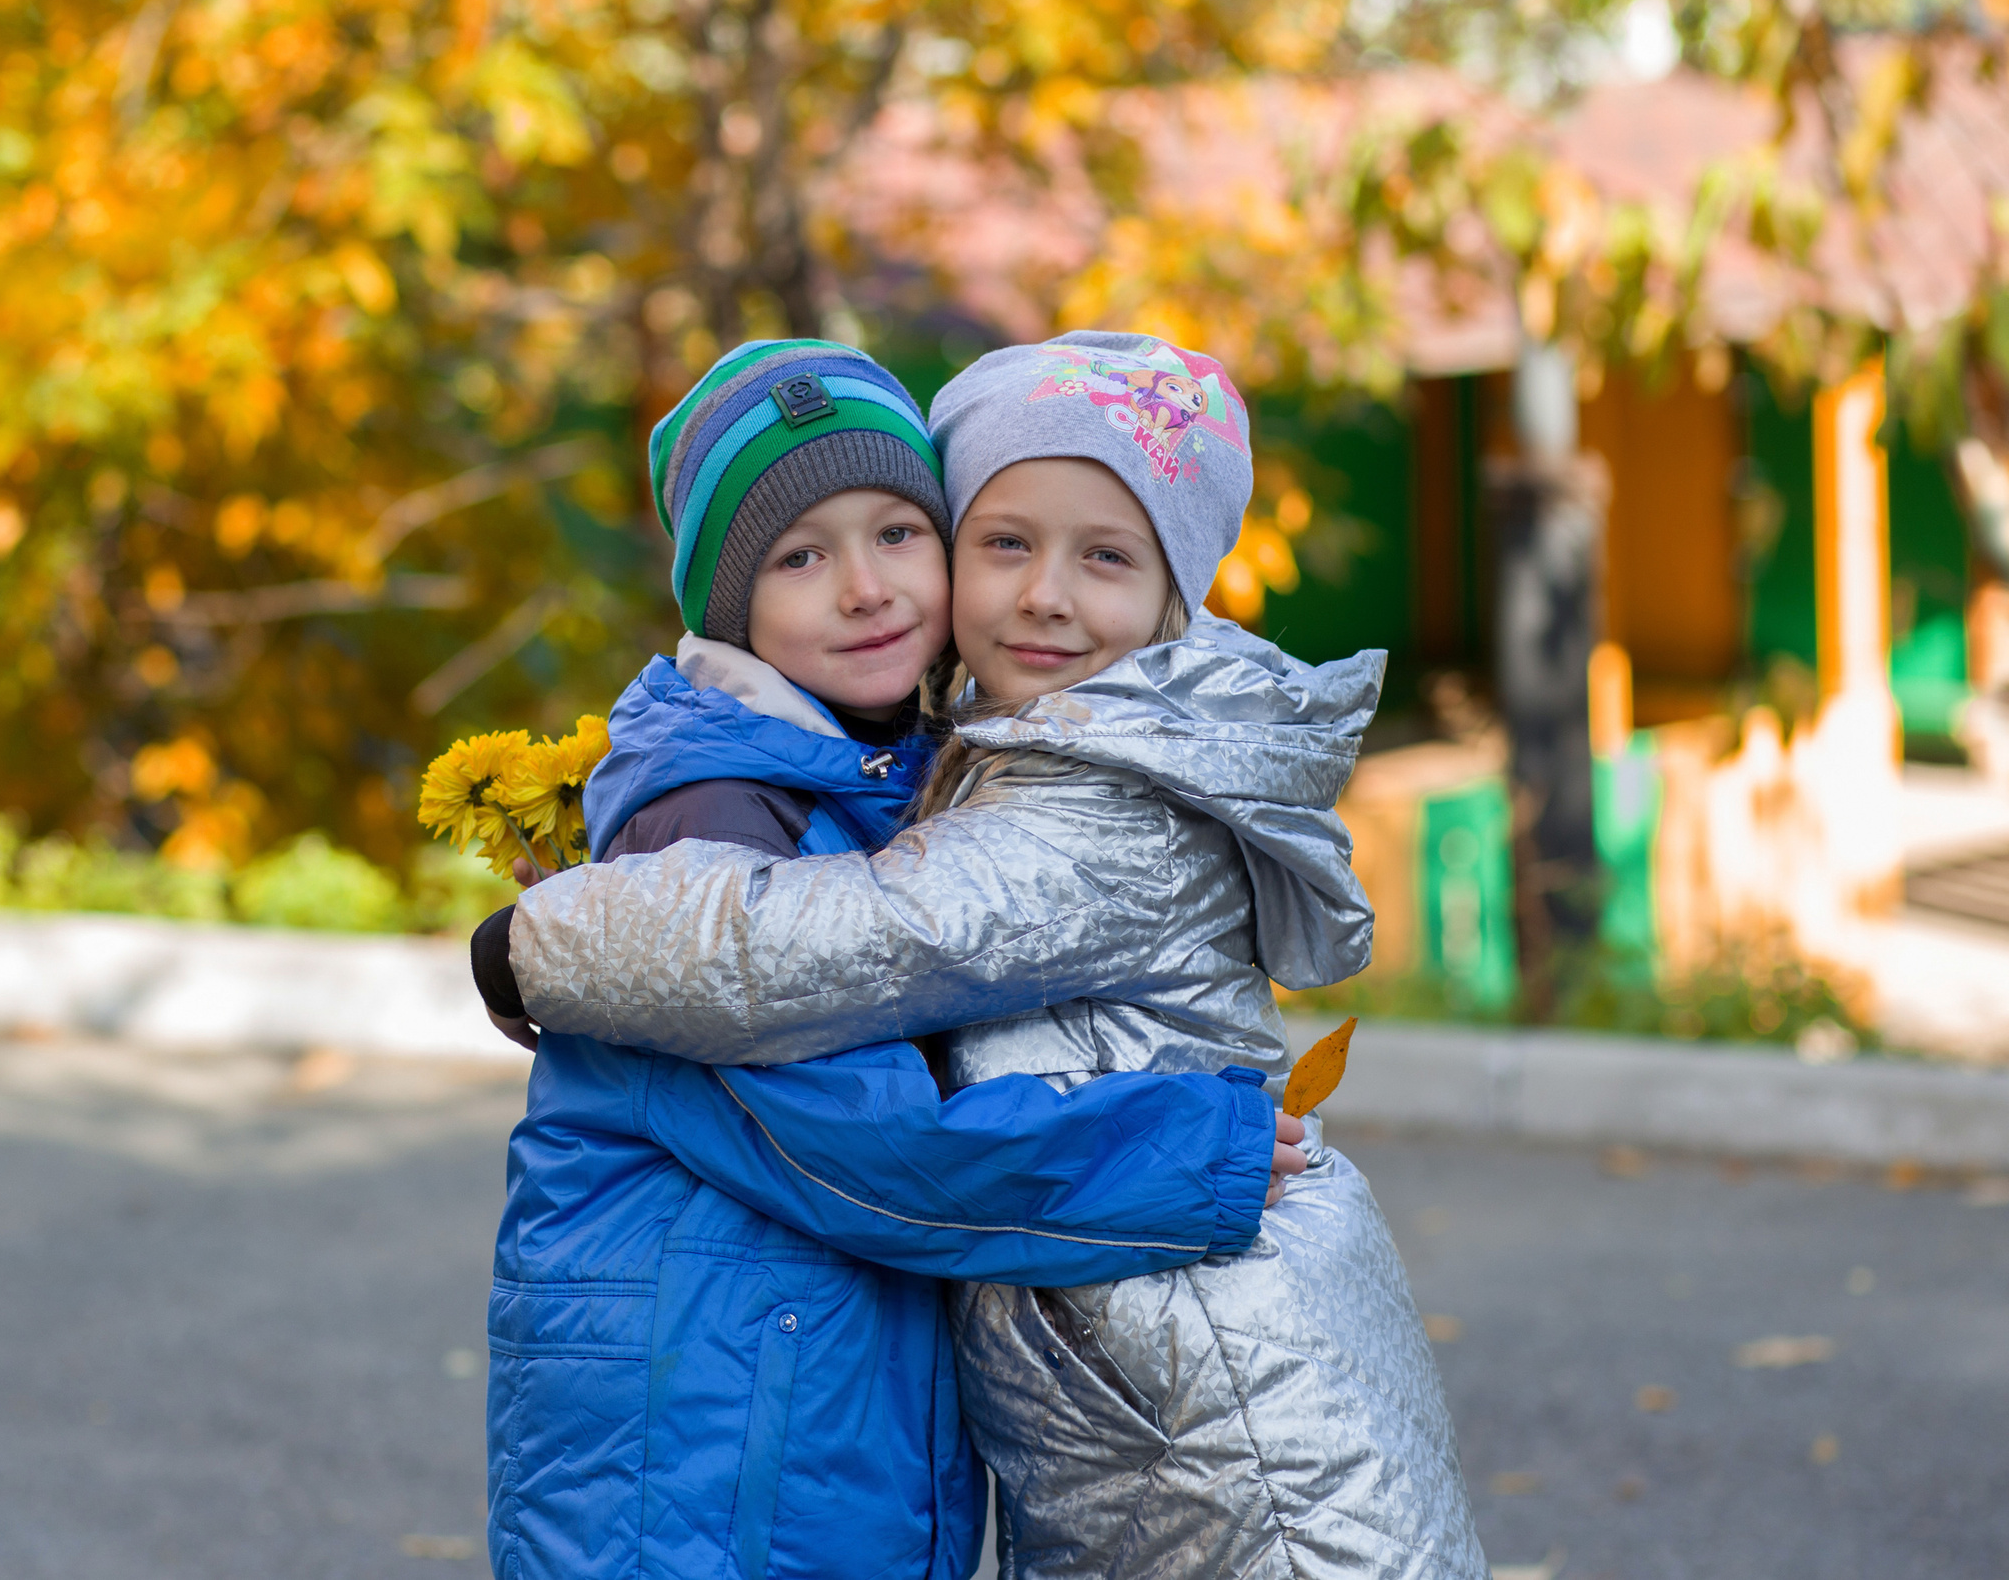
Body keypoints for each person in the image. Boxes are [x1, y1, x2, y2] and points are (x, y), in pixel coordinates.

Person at [484, 333, 1488, 1579]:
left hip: (1204, 1406)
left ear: (1180, 592)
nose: (866, 587)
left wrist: (541, 944)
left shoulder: (1091, 795)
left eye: (898, 534)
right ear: (728, 599)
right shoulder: (765, 799)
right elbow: (864, 1144)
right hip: (713, 1439)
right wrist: (1191, 1157)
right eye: (1003, 543)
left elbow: (857, 939)